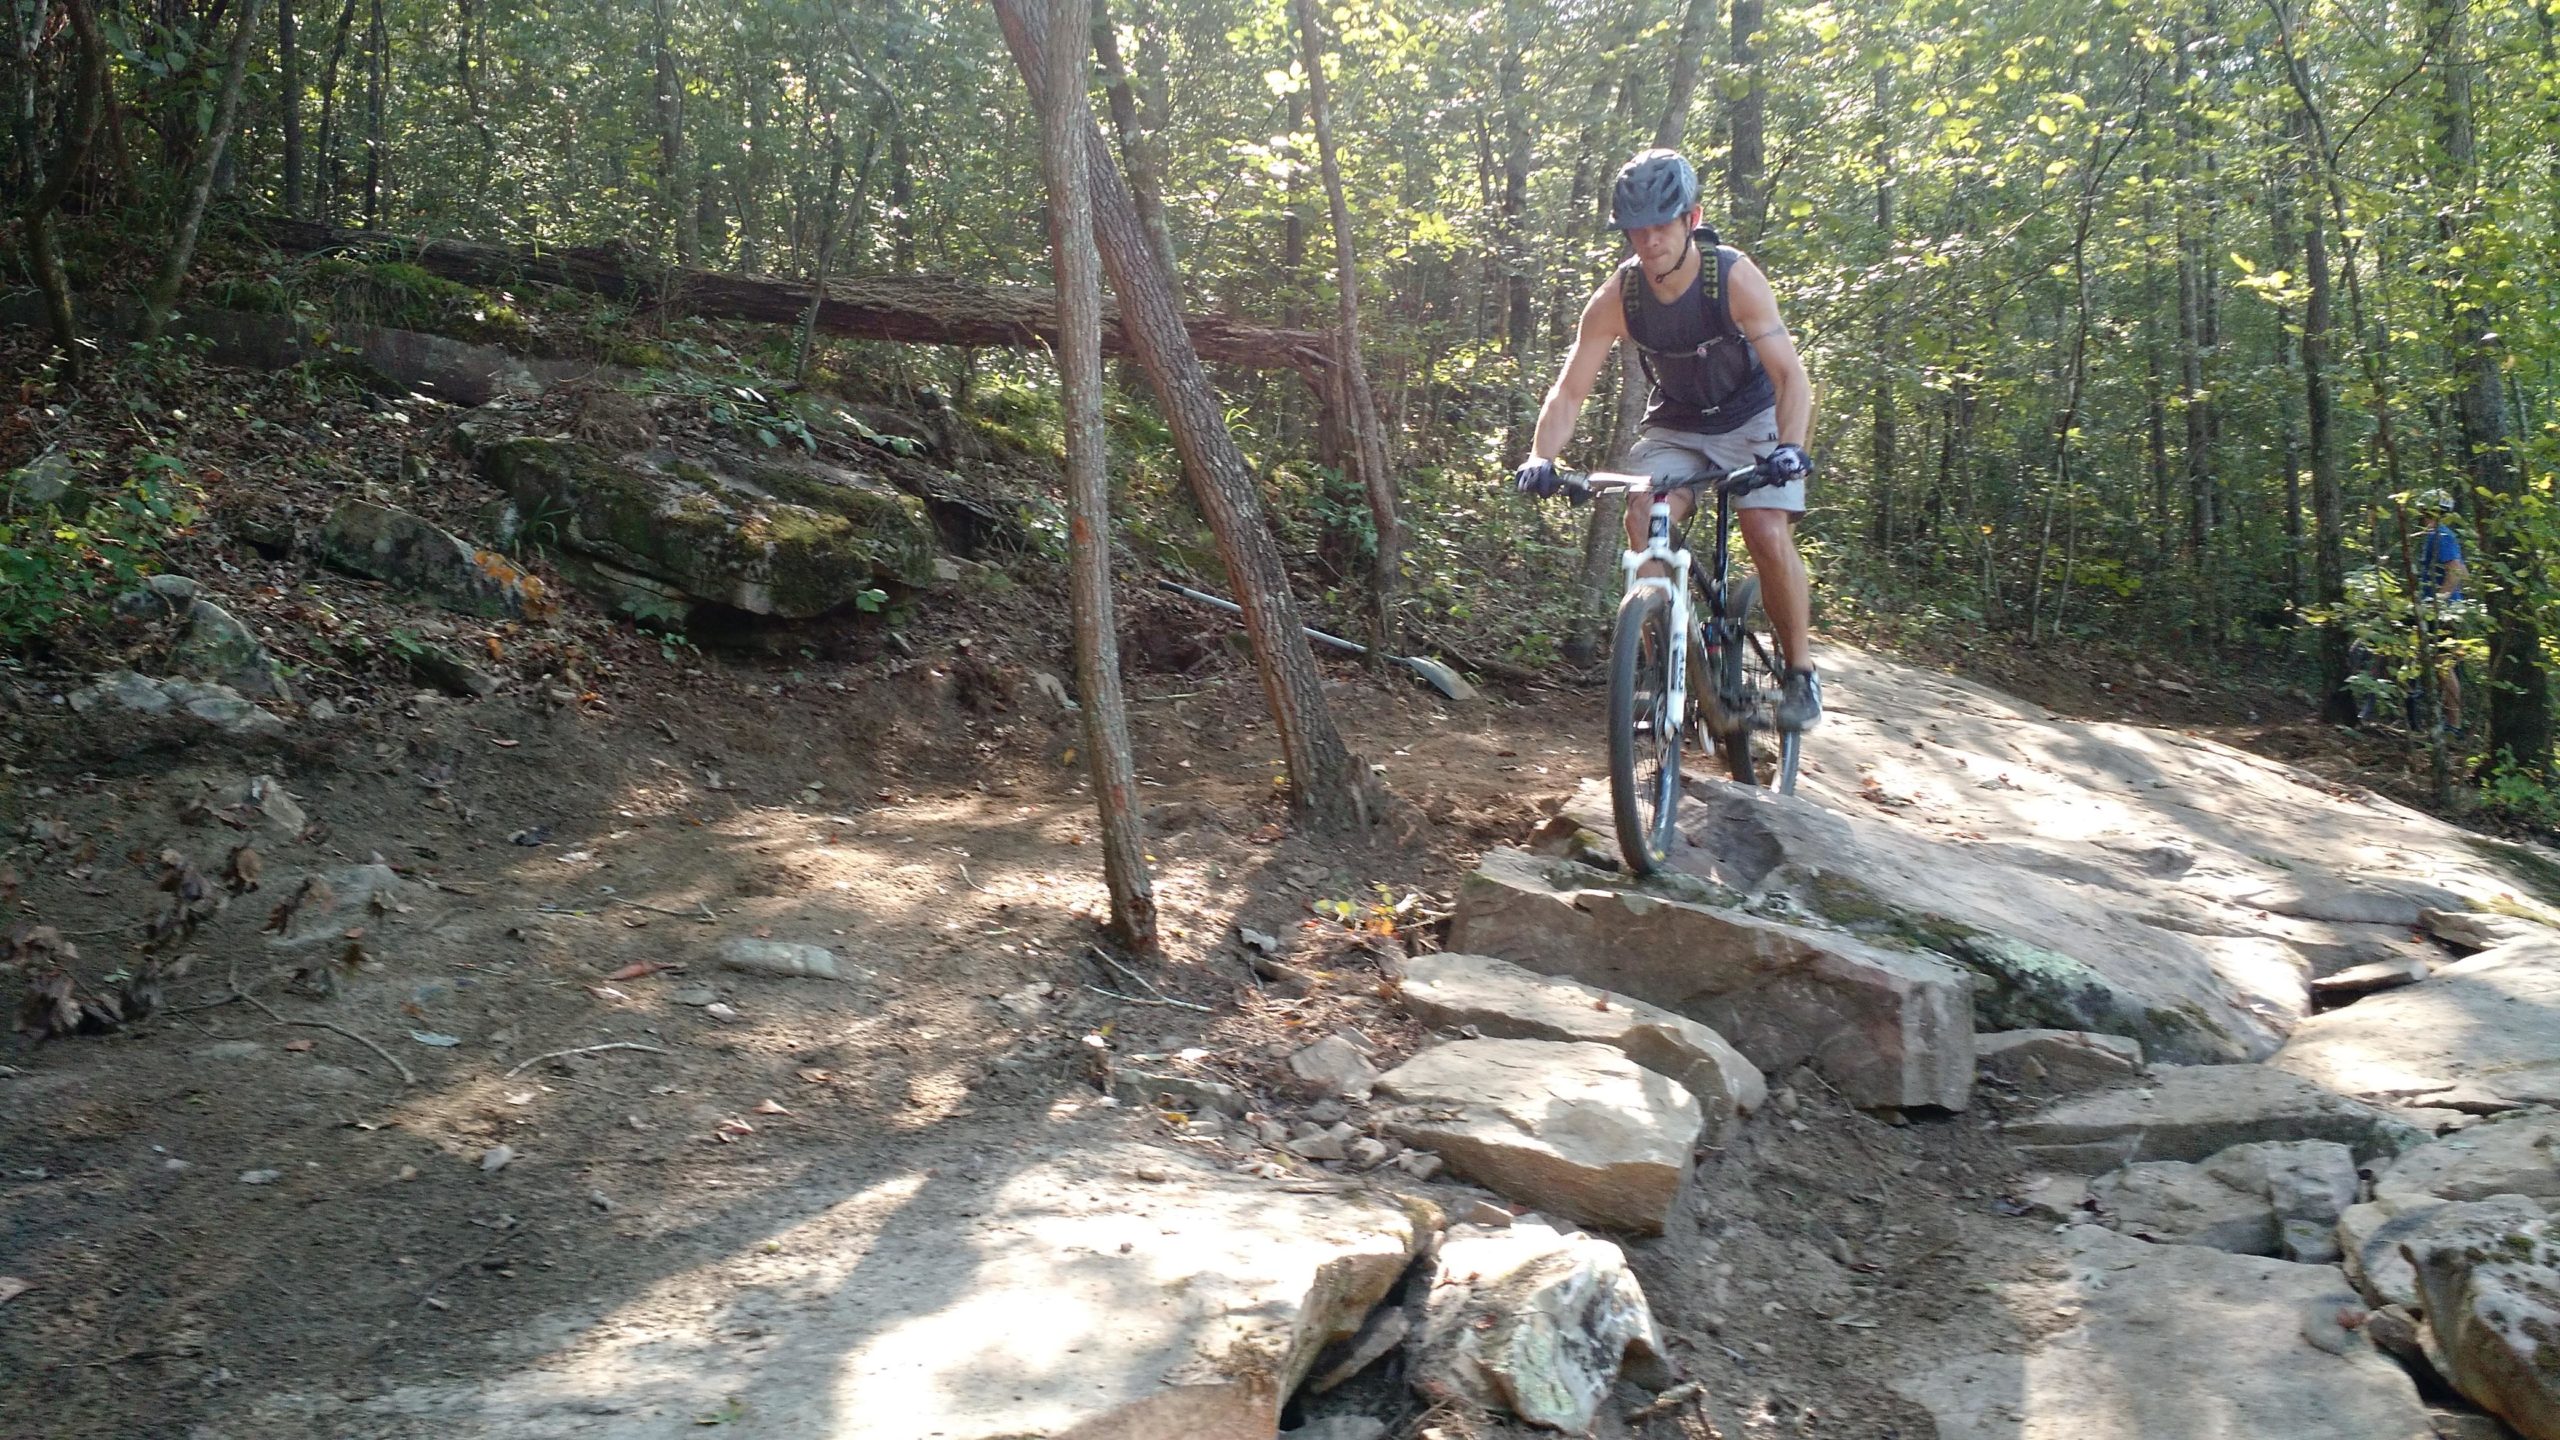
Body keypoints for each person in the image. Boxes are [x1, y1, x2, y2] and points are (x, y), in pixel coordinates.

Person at [1512, 148, 1822, 730]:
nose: (1648, 241)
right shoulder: (1618, 298)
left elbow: (1790, 374)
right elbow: (1570, 390)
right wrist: (1541, 455)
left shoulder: (1733, 278)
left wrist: (1790, 445)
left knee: (1763, 526)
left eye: (1661, 226)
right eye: (1636, 230)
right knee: (1644, 514)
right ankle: (1660, 672)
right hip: (1678, 422)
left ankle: (1801, 674)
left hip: (1753, 418)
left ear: (1692, 218)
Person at [2417, 489, 2469, 731]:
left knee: (2444, 665)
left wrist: (2438, 602)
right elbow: (2463, 571)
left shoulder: (2440, 535)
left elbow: (2457, 571)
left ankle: (2453, 726)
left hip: (2441, 612)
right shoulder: (2440, 535)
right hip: (2440, 609)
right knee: (2439, 665)